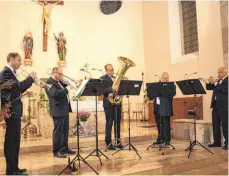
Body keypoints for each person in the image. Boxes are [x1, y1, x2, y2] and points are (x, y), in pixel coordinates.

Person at [0, 52, 36, 175]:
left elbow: (14, 91)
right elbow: (18, 86)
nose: (20, 63)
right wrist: (30, 78)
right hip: (10, 111)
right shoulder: (6, 72)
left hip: (14, 110)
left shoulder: (10, 73)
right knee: (11, 141)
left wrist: (24, 93)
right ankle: (11, 170)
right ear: (12, 59)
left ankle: (14, 167)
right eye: (19, 60)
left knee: (15, 141)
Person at [45, 67, 76, 158]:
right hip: (58, 110)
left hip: (64, 109)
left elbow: (63, 89)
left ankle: (64, 148)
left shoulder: (58, 82)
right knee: (58, 131)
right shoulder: (49, 82)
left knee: (64, 131)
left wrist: (66, 82)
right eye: (60, 74)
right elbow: (55, 94)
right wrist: (68, 88)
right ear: (55, 73)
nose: (62, 76)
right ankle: (56, 151)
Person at [100, 64, 123, 150]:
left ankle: (118, 142)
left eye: (112, 69)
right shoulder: (103, 78)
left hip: (117, 103)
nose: (111, 71)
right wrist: (113, 89)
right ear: (106, 70)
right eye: (109, 70)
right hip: (108, 104)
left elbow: (120, 90)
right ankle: (108, 143)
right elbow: (103, 90)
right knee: (109, 123)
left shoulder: (116, 78)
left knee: (117, 123)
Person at [207, 67, 228, 150]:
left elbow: (225, 90)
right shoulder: (218, 81)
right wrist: (209, 82)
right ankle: (217, 142)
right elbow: (209, 88)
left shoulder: (227, 80)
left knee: (225, 125)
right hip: (215, 105)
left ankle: (227, 143)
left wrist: (216, 83)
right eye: (218, 72)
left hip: (224, 105)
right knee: (215, 124)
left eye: (220, 72)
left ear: (225, 73)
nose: (218, 74)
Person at [153, 72, 176, 145]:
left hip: (166, 108)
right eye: (164, 78)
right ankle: (160, 139)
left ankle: (167, 140)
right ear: (161, 78)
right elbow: (152, 94)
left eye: (167, 78)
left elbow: (173, 94)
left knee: (166, 124)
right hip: (157, 107)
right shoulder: (157, 86)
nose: (166, 79)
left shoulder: (171, 86)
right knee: (159, 123)